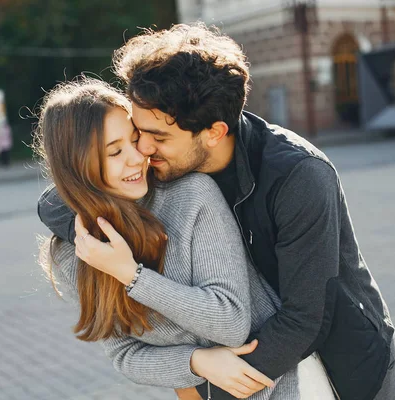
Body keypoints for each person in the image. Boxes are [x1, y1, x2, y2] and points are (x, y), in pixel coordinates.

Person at [38, 24, 395, 400]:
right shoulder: (163, 171)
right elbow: (65, 192)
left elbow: (305, 320)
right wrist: (196, 363)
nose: (143, 149)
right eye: (137, 133)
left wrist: (205, 384)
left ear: (213, 132)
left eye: (156, 138)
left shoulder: (299, 177)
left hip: (345, 355)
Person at [34, 78, 335, 399]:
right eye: (114, 152)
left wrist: (131, 276)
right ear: (78, 167)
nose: (137, 157)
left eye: (134, 140)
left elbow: (231, 321)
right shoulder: (72, 254)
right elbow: (124, 355)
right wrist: (197, 361)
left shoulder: (191, 196)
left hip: (285, 387)